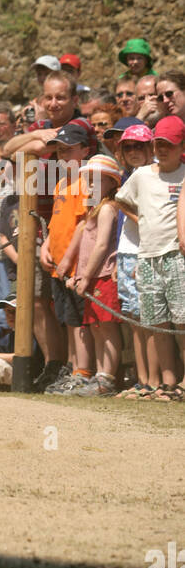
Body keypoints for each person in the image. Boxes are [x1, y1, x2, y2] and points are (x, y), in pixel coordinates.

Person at [114, 117, 185, 401]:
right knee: (157, 324)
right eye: (158, 144)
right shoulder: (142, 175)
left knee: (182, 322)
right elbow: (120, 199)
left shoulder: (184, 174)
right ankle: (167, 383)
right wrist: (140, 220)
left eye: (169, 145)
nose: (163, 150)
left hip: (176, 257)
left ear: (181, 145)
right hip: (147, 257)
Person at [56, 154, 123, 396]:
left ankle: (108, 377)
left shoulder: (107, 209)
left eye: (96, 180)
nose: (90, 185)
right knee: (95, 326)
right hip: (92, 276)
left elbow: (102, 245)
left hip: (103, 275)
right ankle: (99, 374)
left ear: (112, 183)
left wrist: (85, 276)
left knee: (106, 327)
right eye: (89, 180)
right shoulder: (93, 210)